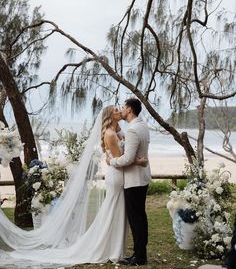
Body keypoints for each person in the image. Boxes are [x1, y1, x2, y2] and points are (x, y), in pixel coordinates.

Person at [0, 105, 146, 267]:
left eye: (121, 109)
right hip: (117, 175)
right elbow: (121, 160)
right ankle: (111, 249)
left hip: (117, 174)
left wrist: (119, 137)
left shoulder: (114, 131)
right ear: (110, 116)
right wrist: (138, 161)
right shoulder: (110, 134)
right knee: (114, 211)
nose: (120, 112)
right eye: (117, 111)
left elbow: (121, 147)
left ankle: (115, 249)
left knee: (114, 211)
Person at [107, 98, 152, 266]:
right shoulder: (142, 126)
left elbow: (127, 158)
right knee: (140, 216)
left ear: (130, 110)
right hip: (142, 177)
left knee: (136, 218)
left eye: (124, 108)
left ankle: (139, 256)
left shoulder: (133, 130)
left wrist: (111, 161)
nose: (122, 110)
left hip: (134, 180)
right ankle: (141, 254)